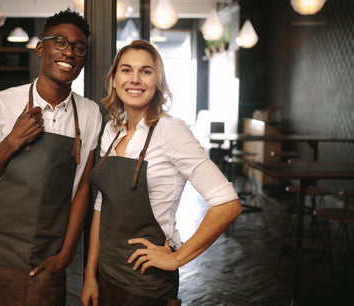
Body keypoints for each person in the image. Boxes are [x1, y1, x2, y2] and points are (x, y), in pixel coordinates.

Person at [0, 8, 102, 305]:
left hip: (45, 261)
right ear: (40, 48)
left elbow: (82, 187)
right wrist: (13, 141)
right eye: (59, 42)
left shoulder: (89, 113)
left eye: (78, 47)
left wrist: (67, 253)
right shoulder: (1, 103)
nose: (69, 52)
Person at [81, 40, 242, 306]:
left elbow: (227, 204)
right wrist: (90, 275)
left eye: (146, 71)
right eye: (126, 70)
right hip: (107, 275)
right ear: (114, 79)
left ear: (158, 81)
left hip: (145, 285)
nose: (135, 79)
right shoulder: (112, 130)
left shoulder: (171, 130)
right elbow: (102, 205)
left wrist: (176, 258)